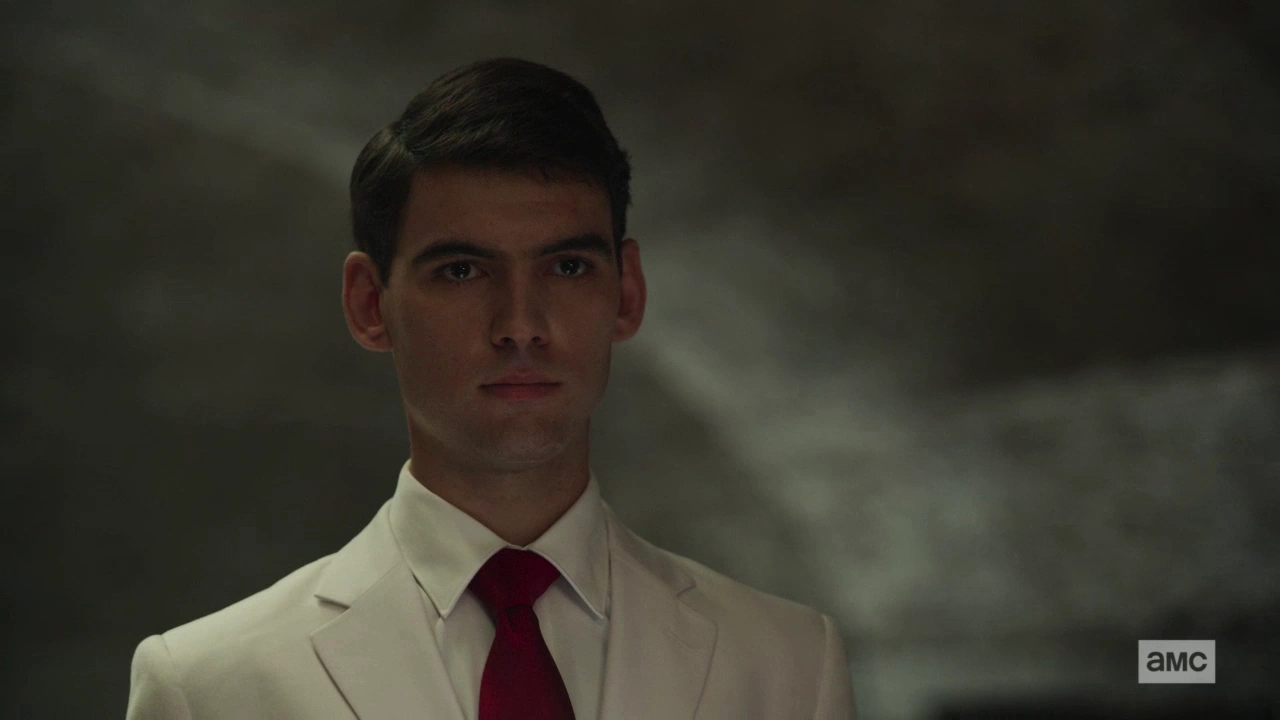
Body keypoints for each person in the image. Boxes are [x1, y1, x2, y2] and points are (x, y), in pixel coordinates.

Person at [125, 57, 856, 720]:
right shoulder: (208, 686)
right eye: (462, 271)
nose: (520, 325)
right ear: (370, 304)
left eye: (567, 267)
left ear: (627, 292)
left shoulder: (788, 666)